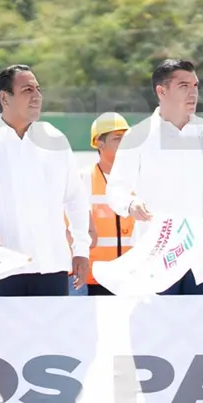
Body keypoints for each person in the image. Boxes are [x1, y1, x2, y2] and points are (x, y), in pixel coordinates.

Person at [0, 65, 91, 296]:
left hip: (52, 267)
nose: (37, 96)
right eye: (27, 89)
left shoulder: (55, 139)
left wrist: (81, 249)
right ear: (5, 97)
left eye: (38, 89)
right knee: (3, 334)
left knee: (51, 334)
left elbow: (75, 198)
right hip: (2, 271)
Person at [105, 59, 203, 295]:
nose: (193, 92)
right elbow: (115, 189)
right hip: (156, 255)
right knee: (157, 326)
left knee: (201, 325)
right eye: (184, 85)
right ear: (161, 91)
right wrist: (130, 204)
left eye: (195, 85)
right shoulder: (138, 135)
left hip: (202, 254)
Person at [84, 112, 134, 296]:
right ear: (99, 143)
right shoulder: (83, 179)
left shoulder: (139, 180)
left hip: (133, 278)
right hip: (94, 280)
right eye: (117, 139)